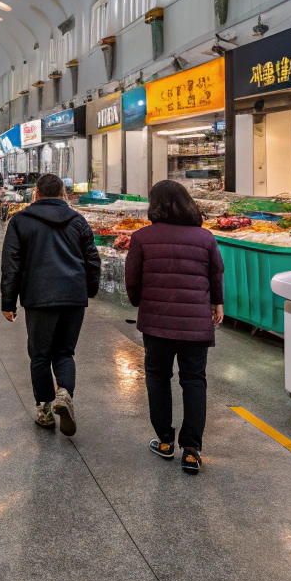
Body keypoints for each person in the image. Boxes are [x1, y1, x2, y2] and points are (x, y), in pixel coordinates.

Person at [125, 180, 225, 474]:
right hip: (195, 322)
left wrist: (139, 302)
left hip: (156, 321)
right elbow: (216, 272)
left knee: (158, 377)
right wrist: (217, 303)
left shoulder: (142, 237)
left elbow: (132, 278)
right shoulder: (205, 238)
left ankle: (165, 441)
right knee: (194, 379)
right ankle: (191, 451)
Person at [0, 173, 100, 436]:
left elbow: (11, 265)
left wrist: (8, 301)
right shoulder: (77, 220)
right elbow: (92, 259)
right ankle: (64, 393)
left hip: (39, 296)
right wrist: (88, 290)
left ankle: (44, 409)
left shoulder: (20, 220)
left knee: (40, 354)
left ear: (36, 193)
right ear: (63, 193)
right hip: (72, 294)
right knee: (64, 352)